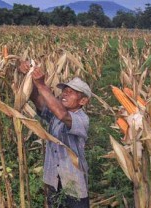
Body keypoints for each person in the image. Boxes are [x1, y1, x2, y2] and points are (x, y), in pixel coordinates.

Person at [19, 60, 91, 208]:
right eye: (64, 91)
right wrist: (29, 77)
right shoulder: (54, 115)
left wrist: (42, 85)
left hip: (74, 183)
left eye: (71, 92)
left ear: (83, 100)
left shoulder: (81, 119)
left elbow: (62, 115)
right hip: (53, 180)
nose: (64, 94)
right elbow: (37, 101)